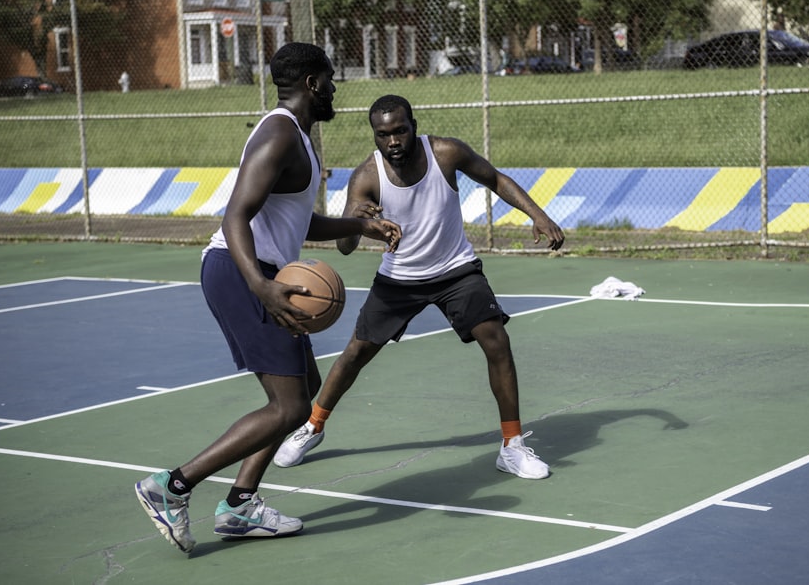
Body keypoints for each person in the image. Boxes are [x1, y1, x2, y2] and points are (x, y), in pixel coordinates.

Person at [133, 43, 402, 554]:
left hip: (262, 273)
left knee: (304, 390)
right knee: (290, 405)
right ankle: (171, 487)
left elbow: (301, 221)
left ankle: (239, 506)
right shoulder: (279, 132)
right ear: (313, 84)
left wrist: (361, 226)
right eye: (331, 79)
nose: (335, 89)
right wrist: (261, 284)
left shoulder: (296, 137)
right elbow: (235, 215)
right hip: (242, 273)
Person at [272, 94, 564, 479]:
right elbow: (344, 248)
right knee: (356, 353)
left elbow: (494, 178)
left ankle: (512, 447)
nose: (393, 141)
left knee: (497, 341)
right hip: (400, 278)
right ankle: (312, 426)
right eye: (383, 135)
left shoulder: (446, 153)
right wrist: (355, 219)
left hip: (456, 270)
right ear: (374, 136)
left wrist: (538, 214)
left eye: (400, 131)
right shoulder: (367, 176)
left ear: (413, 126)